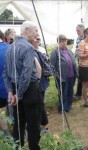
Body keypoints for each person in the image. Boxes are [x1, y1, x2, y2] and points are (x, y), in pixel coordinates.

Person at [3, 21, 41, 150]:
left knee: (19, 122)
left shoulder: (11, 47)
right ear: (27, 31)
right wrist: (18, 94)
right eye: (35, 30)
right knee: (33, 123)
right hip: (28, 90)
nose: (37, 33)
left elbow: (5, 73)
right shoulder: (28, 47)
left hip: (15, 89)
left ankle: (17, 147)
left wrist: (10, 92)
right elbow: (26, 75)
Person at [50, 35, 76, 113]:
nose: (64, 43)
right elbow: (52, 66)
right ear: (58, 42)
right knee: (63, 93)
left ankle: (68, 106)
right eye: (61, 41)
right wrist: (58, 76)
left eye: (65, 41)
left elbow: (73, 62)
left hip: (71, 75)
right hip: (62, 77)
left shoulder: (69, 51)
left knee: (70, 91)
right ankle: (62, 108)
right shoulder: (55, 52)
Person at [32, 36, 49, 131]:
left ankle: (43, 126)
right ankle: (43, 125)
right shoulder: (34, 51)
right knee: (40, 103)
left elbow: (40, 68)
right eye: (36, 39)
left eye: (38, 40)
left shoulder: (39, 51)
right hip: (40, 81)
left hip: (40, 81)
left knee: (40, 103)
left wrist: (37, 81)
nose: (37, 41)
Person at [0, 30, 10, 137]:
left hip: (1, 89)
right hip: (11, 87)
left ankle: (6, 132)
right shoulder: (10, 48)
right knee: (15, 109)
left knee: (1, 110)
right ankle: (20, 129)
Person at [73, 24, 85, 100]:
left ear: (83, 30)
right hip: (80, 60)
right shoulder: (78, 38)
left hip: (86, 60)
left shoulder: (86, 38)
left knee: (83, 77)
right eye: (76, 30)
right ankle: (79, 93)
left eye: (78, 30)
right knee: (80, 76)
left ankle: (80, 94)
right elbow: (76, 49)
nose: (77, 32)